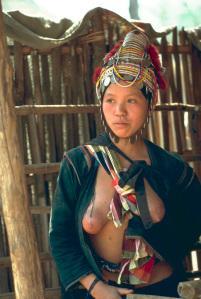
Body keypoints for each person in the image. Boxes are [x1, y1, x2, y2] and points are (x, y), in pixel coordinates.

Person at [49, 29, 201, 299]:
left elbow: (190, 233)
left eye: (131, 100)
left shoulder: (173, 171)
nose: (119, 111)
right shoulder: (79, 163)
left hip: (161, 292)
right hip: (99, 293)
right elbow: (61, 239)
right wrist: (97, 288)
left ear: (150, 103)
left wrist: (154, 210)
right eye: (111, 100)